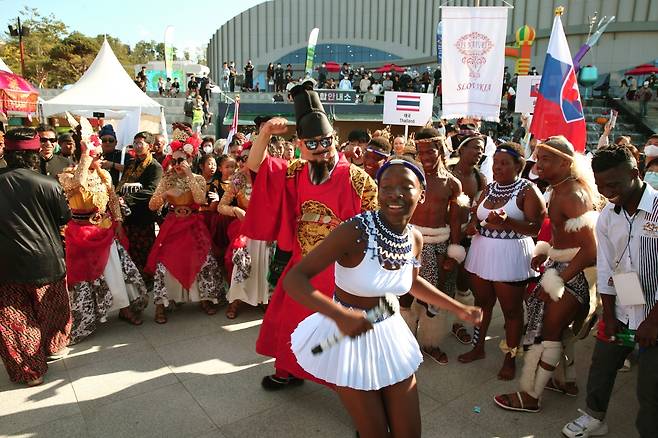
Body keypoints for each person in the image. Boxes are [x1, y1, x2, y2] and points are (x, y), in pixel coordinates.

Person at [286, 157, 482, 438]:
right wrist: (340, 315)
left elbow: (412, 284)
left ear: (422, 194)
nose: (395, 194)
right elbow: (295, 279)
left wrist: (458, 308)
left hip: (389, 332)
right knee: (375, 433)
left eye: (406, 186)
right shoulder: (354, 231)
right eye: (386, 186)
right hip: (347, 340)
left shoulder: (414, 237)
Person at [242, 82, 378, 390]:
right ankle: (289, 370)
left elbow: (377, 223)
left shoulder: (358, 178)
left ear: (335, 140)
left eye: (326, 142)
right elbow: (255, 167)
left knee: (340, 334)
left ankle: (360, 396)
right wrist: (264, 135)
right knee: (291, 319)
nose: (320, 150)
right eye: (312, 144)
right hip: (304, 264)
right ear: (300, 145)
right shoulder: (295, 172)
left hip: (344, 271)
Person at [494, 136, 599, 413]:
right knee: (555, 330)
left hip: (571, 274)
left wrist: (557, 280)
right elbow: (566, 236)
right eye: (538, 158)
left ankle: (531, 397)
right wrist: (547, 250)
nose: (538, 165)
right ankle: (565, 380)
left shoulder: (572, 194)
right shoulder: (559, 189)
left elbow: (590, 250)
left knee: (549, 335)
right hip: (562, 267)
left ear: (566, 163)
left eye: (546, 159)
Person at [563, 145, 658, 438]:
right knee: (602, 364)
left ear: (635, 173)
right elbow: (606, 267)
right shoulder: (606, 215)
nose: (606, 191)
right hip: (623, 303)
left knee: (650, 387)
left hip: (655, 312)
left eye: (613, 184)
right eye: (601, 184)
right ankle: (595, 417)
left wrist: (653, 320)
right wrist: (609, 313)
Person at [459, 142, 546, 380]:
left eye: (504, 163)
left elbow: (536, 227)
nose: (497, 168)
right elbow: (477, 216)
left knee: (511, 311)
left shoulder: (528, 190)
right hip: (482, 252)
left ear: (519, 165)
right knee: (482, 303)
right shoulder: (489, 189)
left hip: (511, 255)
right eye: (495, 163)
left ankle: (510, 357)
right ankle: (478, 348)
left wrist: (508, 222)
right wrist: (473, 226)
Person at [0, 127, 72, 386]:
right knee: (50, 309)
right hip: (46, 260)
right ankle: (53, 348)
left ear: (7, 152)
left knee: (14, 319)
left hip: (6, 265)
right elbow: (65, 217)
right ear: (34, 154)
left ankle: (30, 371)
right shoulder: (49, 184)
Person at [59, 140, 148, 343]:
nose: (99, 158)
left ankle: (124, 308)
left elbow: (113, 198)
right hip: (80, 233)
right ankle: (90, 315)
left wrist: (117, 219)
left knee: (115, 271)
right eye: (94, 154)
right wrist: (84, 158)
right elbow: (76, 186)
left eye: (99, 154)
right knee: (86, 276)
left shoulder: (104, 174)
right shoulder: (68, 175)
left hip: (104, 229)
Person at [401, 128, 470, 365]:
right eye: (421, 153)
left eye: (430, 151)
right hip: (410, 242)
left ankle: (430, 342)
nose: (426, 157)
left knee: (433, 296)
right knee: (404, 295)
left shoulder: (453, 183)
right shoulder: (411, 176)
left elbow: (455, 219)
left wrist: (454, 251)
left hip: (439, 244)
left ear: (440, 150)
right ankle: (403, 342)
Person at [146, 134, 224, 323]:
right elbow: (152, 205)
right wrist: (165, 194)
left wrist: (189, 175)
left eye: (182, 159)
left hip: (194, 224)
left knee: (205, 261)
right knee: (164, 264)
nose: (178, 163)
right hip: (173, 225)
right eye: (175, 160)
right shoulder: (167, 178)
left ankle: (205, 298)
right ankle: (161, 304)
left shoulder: (197, 178)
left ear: (190, 159)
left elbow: (199, 200)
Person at [218, 146, 270, 319]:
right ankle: (237, 299)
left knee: (265, 262)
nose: (244, 162)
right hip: (245, 228)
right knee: (241, 262)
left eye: (250, 157)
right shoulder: (238, 179)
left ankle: (265, 298)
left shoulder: (270, 177)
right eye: (243, 158)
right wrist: (235, 210)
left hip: (267, 228)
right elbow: (221, 206)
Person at [116, 132, 163, 285]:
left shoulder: (155, 167)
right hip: (127, 213)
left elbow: (151, 190)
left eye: (140, 143)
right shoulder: (131, 163)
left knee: (144, 247)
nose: (136, 146)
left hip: (143, 213)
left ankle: (149, 278)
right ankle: (134, 279)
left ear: (149, 146)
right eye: (135, 143)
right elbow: (122, 183)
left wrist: (127, 198)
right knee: (130, 247)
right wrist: (116, 197)